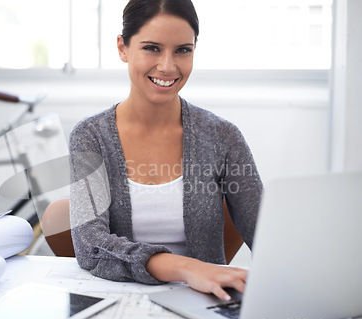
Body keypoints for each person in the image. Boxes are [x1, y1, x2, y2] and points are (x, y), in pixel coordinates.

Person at [68, 0, 263, 302]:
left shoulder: (223, 136)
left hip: (208, 304)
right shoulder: (90, 137)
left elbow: (267, 235)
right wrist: (186, 268)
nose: (168, 66)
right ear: (123, 48)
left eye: (183, 50)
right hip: (120, 301)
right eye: (152, 48)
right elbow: (90, 246)